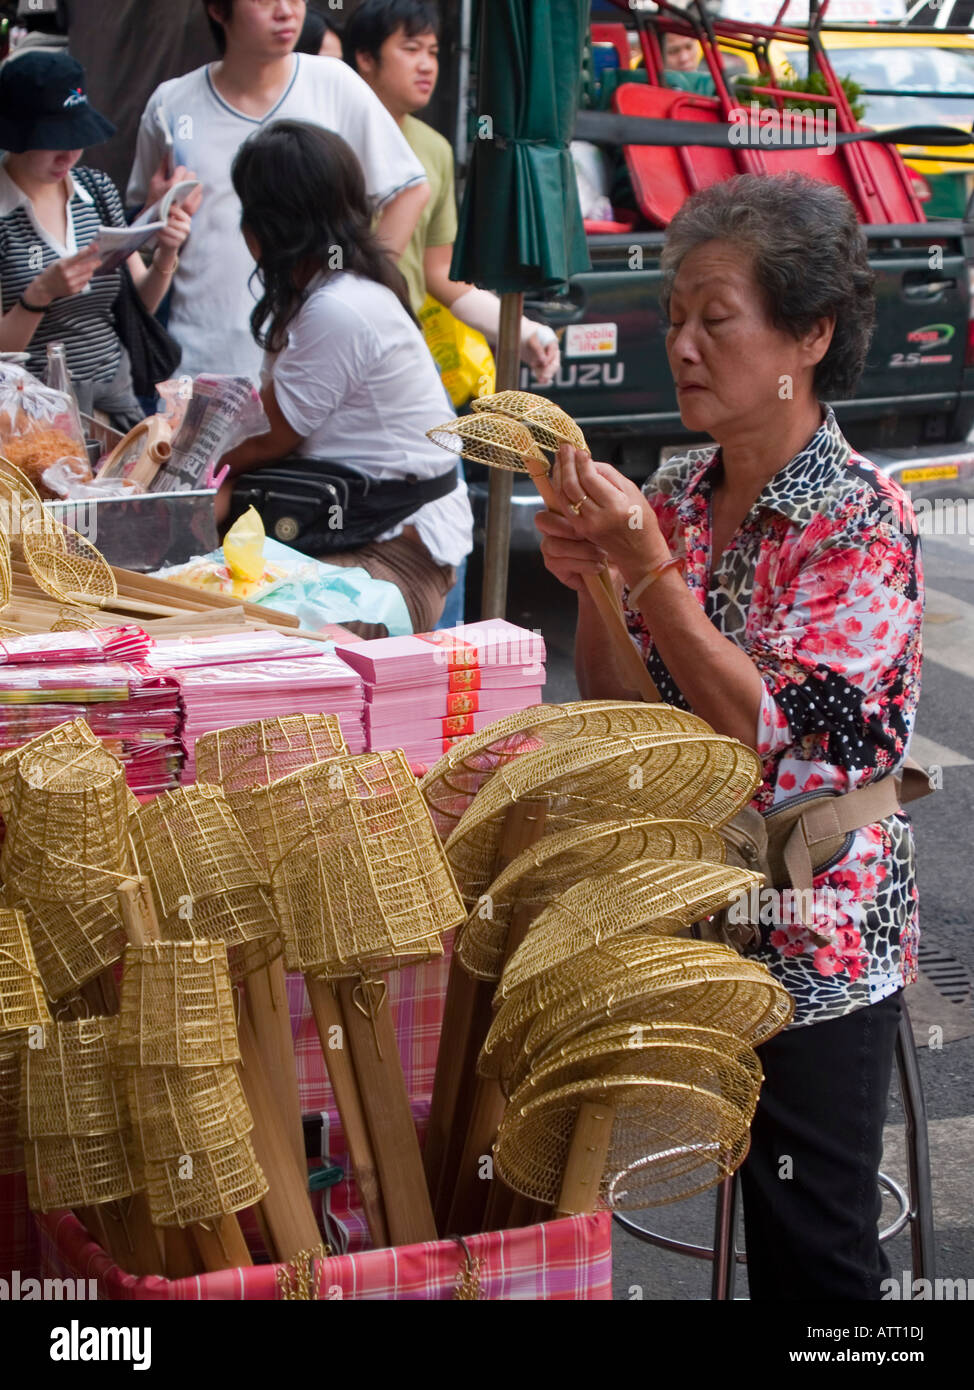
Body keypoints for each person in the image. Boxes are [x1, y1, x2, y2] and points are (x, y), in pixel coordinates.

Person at [537, 171, 923, 1300]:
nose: (684, 345)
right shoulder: (675, 486)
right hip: (689, 907)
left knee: (814, 1249)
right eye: (672, 318)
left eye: (717, 318)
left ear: (805, 333)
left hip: (814, 925)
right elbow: (632, 718)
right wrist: (595, 590)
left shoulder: (862, 516)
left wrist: (643, 568)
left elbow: (770, 734)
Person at [218, 120, 473, 637]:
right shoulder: (333, 293)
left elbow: (266, 436)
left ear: (270, 225)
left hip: (394, 556)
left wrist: (197, 462)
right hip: (354, 535)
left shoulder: (339, 307)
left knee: (227, 626)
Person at [126, 0, 430, 381]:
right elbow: (140, 240)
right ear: (219, 11)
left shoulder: (335, 84)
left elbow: (409, 191)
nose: (286, 11)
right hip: (202, 359)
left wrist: (349, 289)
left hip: (314, 362)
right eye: (265, 1)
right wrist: (158, 211)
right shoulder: (171, 103)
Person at [345, 0, 560, 383]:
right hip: (333, 343)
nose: (427, 65)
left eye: (432, 52)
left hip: (401, 351)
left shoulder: (434, 149)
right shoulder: (327, 141)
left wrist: (524, 331)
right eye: (410, 49)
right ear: (365, 57)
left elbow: (439, 273)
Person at [0, 51, 197, 428]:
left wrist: (166, 253)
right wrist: (39, 295)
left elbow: (140, 302)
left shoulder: (96, 188)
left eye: (78, 137)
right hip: (32, 420)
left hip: (115, 408)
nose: (69, 154)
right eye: (53, 140)